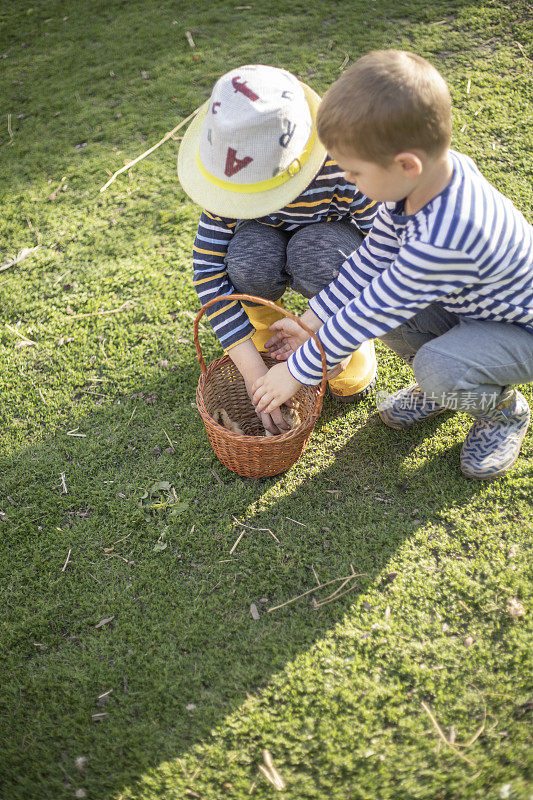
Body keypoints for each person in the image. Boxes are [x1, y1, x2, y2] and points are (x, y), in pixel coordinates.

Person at [252, 50, 533, 479]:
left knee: (438, 365)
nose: (348, 180)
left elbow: (372, 311)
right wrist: (310, 321)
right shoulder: (417, 186)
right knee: (387, 309)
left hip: (520, 331)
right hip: (472, 308)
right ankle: (447, 386)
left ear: (405, 165)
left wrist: (296, 371)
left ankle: (502, 411)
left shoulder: (447, 234)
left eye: (355, 172)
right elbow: (371, 261)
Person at [177, 64, 378, 435]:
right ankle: (266, 334)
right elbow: (208, 271)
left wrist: (338, 334)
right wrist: (255, 375)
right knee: (247, 258)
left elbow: (384, 249)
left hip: (333, 245)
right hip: (265, 239)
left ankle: (347, 342)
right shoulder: (231, 166)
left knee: (314, 252)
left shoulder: (344, 165)